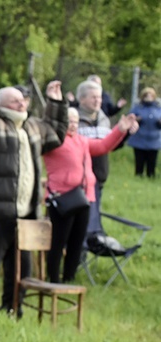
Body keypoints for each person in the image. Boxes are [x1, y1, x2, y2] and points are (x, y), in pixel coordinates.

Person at [0, 73, 68, 315]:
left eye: (22, 100)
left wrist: (55, 103)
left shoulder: (32, 126)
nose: (21, 104)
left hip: (26, 214)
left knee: (21, 269)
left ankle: (12, 310)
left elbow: (57, 133)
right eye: (14, 101)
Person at [43, 108, 135, 283]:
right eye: (69, 121)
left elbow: (103, 146)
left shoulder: (82, 141)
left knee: (77, 242)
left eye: (76, 121)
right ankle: (53, 279)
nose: (73, 125)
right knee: (59, 241)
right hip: (62, 199)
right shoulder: (54, 141)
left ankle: (69, 278)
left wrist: (120, 129)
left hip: (84, 198)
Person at [75, 79, 137, 237]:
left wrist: (125, 134)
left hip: (100, 176)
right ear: (82, 99)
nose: (98, 101)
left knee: (93, 221)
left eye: (100, 97)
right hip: (79, 181)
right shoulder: (74, 121)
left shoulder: (104, 119)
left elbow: (109, 146)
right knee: (80, 224)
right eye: (93, 97)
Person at [127, 87, 161, 178]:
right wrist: (136, 120)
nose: (148, 97)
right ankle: (138, 177)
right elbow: (129, 119)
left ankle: (151, 177)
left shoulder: (158, 109)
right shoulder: (137, 108)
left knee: (152, 163)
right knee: (139, 162)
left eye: (150, 95)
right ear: (143, 97)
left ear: (154, 97)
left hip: (154, 140)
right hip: (139, 140)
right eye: (146, 95)